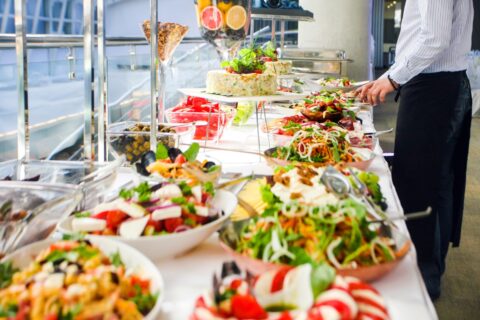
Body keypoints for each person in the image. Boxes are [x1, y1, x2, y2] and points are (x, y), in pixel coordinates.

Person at [357, 0, 474, 301]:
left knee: (416, 184)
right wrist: (393, 73)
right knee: (437, 185)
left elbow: (434, 37)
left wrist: (393, 77)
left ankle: (422, 278)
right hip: (444, 83)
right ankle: (430, 271)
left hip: (432, 88)